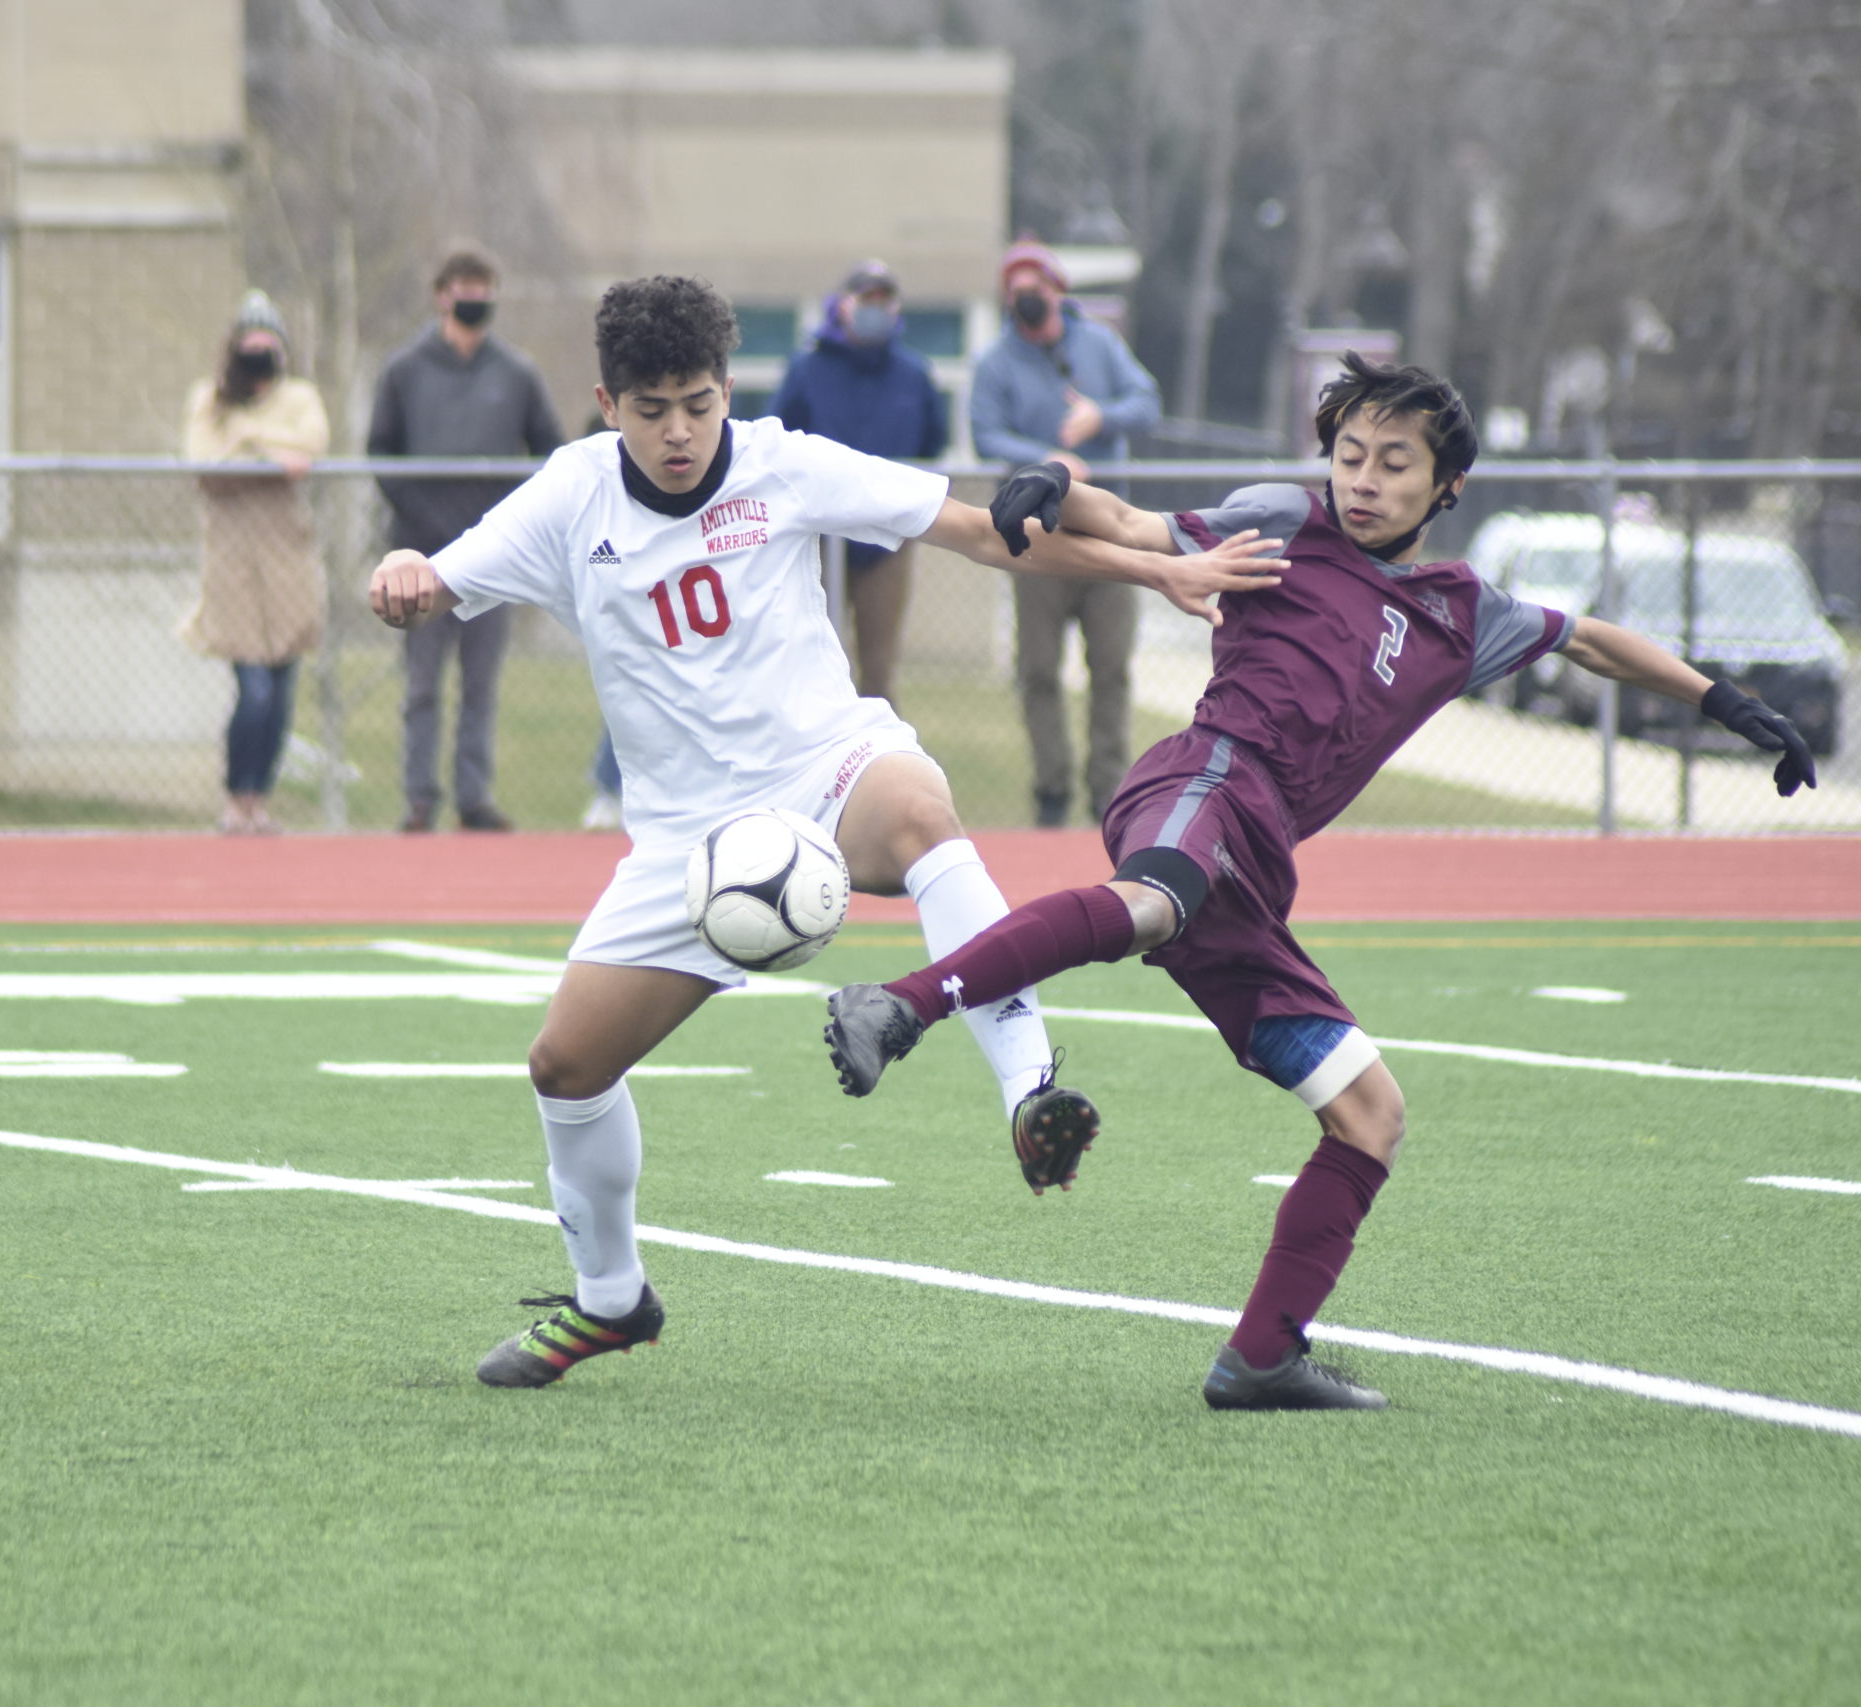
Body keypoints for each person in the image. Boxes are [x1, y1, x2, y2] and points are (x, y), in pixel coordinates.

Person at [825, 352, 1821, 1412]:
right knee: (1154, 899)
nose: (1363, 478)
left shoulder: (1460, 611)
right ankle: (899, 1005)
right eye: (1350, 454)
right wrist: (1055, 481)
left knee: (1370, 1114)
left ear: (1447, 489)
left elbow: (1595, 645)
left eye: (1394, 463)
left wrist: (1728, 704)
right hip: (1202, 782)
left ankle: (1259, 1359)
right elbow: (1124, 523)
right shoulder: (1283, 523)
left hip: (1256, 869)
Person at [368, 275, 1286, 1389]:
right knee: (564, 1066)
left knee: (918, 809)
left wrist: (1162, 568)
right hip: (688, 851)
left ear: (725, 393)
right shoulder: (568, 500)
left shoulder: (782, 462)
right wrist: (405, 576)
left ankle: (1029, 1089)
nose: (678, 432)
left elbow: (979, 533)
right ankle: (611, 1300)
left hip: (825, 769)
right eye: (651, 408)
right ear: (606, 402)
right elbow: (440, 575)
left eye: (698, 404)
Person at [368, 247, 565, 832]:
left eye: (485, 287)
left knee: (481, 685)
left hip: (492, 558)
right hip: (421, 556)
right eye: (465, 287)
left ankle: (474, 797)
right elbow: (380, 453)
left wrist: (507, 526)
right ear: (442, 293)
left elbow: (551, 452)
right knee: (422, 684)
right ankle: (419, 798)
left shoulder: (517, 373)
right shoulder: (403, 371)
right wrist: (424, 522)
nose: (475, 298)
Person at [970, 238, 1164, 826]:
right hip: (1038, 539)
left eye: (1037, 285)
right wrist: (1047, 459)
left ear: (1057, 289)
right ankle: (1050, 790)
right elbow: (986, 436)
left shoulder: (1099, 344)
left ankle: (1109, 793)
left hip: (1109, 537)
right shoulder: (995, 362)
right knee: (1037, 671)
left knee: (1111, 668)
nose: (1027, 296)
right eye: (1016, 288)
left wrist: (1100, 416)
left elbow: (1147, 401)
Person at [178, 290, 331, 834]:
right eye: (252, 344)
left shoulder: (299, 398)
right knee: (254, 690)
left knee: (282, 688)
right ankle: (235, 796)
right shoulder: (210, 399)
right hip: (233, 561)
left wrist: (251, 441)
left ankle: (259, 801)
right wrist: (269, 456)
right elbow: (205, 464)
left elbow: (310, 446)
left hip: (287, 557)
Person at [768, 259, 949, 706]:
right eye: (866, 299)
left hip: (887, 537)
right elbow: (777, 438)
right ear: (843, 305)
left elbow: (934, 439)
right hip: (819, 537)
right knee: (817, 662)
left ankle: (883, 767)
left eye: (883, 300)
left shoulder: (913, 374)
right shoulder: (808, 369)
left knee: (879, 671)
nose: (875, 308)